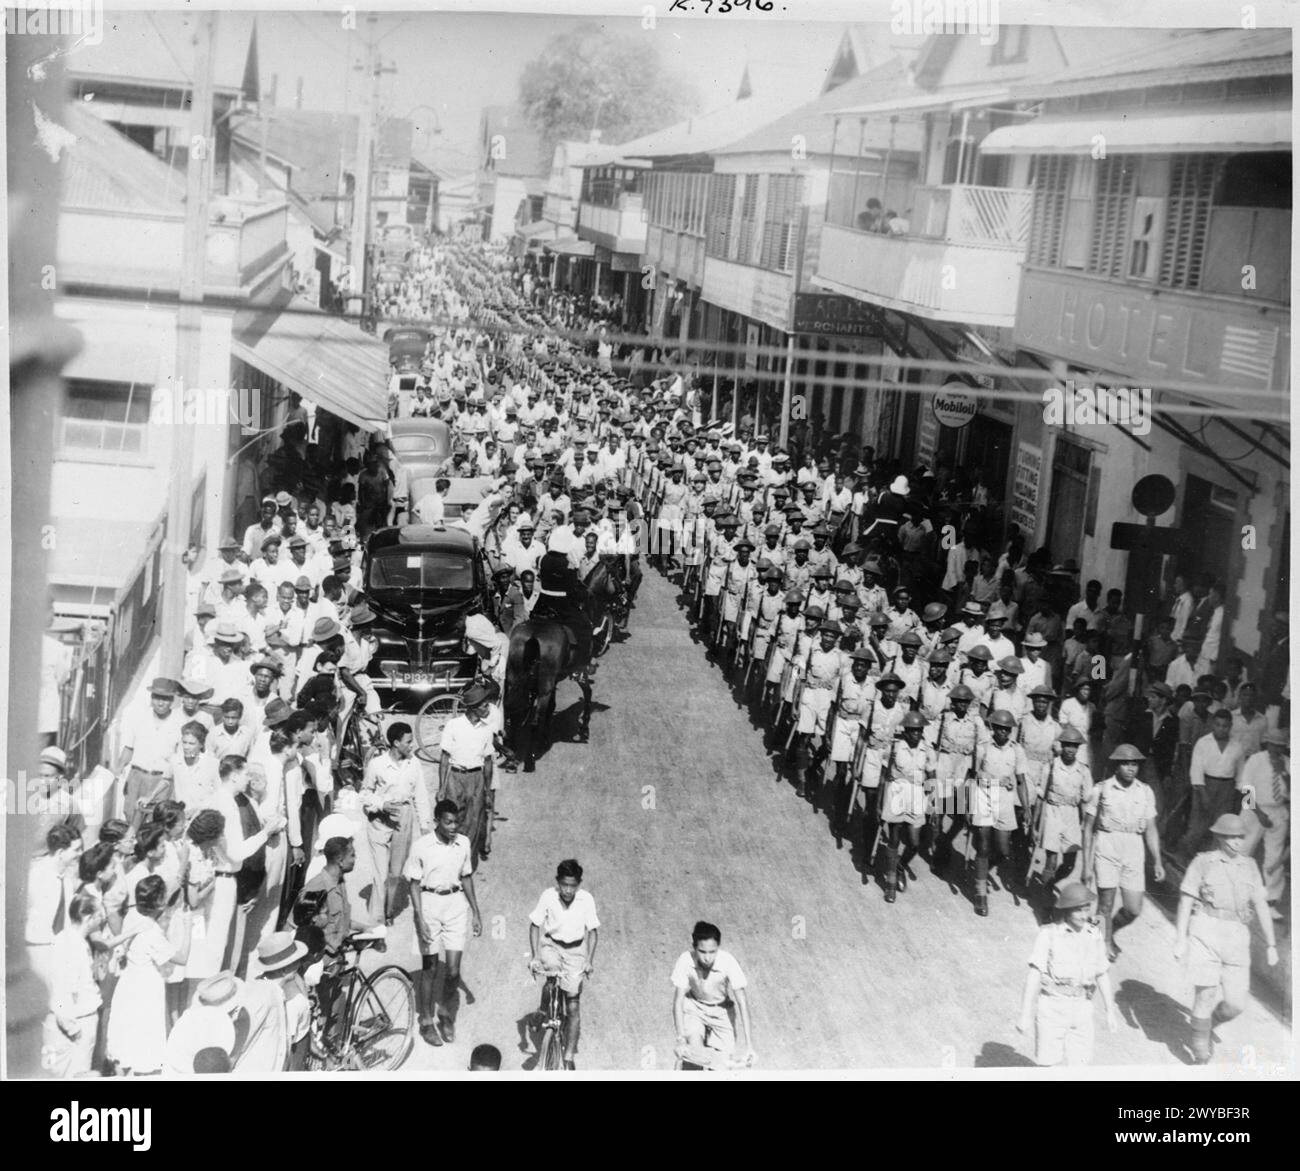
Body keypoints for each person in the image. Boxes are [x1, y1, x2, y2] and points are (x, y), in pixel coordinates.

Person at [1174, 814, 1280, 1064]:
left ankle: (1209, 1024)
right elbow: (1186, 900)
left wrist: (1272, 944)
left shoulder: (1251, 866)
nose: (1237, 842)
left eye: (1240, 837)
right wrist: (1180, 938)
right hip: (1206, 930)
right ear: (1219, 837)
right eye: (1231, 837)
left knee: (1236, 1003)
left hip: (1237, 936)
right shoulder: (1203, 862)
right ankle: (1200, 1052)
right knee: (1206, 994)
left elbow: (1261, 905)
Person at [1016, 882, 1119, 1067]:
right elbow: (1034, 975)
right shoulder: (1049, 934)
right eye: (1078, 910)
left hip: (1082, 1008)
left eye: (1086, 909)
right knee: (1048, 1066)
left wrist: (1110, 1010)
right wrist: (1025, 1014)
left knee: (1080, 1067)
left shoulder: (1094, 934)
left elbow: (1102, 973)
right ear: (1066, 910)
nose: (1084, 915)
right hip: (1052, 1007)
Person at [406, 799, 482, 1046]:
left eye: (456, 822)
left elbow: (467, 877)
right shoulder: (421, 846)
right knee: (429, 968)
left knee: (452, 971)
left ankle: (445, 1013)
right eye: (448, 822)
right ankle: (426, 1021)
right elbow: (414, 884)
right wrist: (419, 918)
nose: (453, 827)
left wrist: (476, 912)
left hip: (455, 907)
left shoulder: (464, 843)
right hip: (429, 906)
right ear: (437, 821)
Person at [1082, 744, 1164, 960]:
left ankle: (1106, 930)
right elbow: (1088, 828)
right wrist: (1086, 866)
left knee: (1134, 908)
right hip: (1108, 844)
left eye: (1134, 764)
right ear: (1116, 766)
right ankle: (1103, 942)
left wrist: (1157, 861)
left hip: (1134, 847)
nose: (1131, 768)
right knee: (1105, 903)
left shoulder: (1145, 791)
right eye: (1126, 763)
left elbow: (1151, 828)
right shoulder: (1102, 789)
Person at [105, 874, 191, 1075]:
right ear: (159, 902)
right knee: (144, 1041)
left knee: (125, 1036)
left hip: (128, 983)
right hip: (146, 988)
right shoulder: (152, 932)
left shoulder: (133, 916)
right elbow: (182, 958)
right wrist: (187, 927)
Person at [528, 859, 599, 1070]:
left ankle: (568, 1056)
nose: (568, 890)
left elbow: (593, 932)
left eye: (573, 885)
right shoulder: (548, 896)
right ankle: (543, 1009)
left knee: (573, 1005)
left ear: (579, 884)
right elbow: (534, 925)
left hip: (576, 951)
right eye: (564, 885)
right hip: (552, 945)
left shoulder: (586, 900)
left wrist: (588, 961)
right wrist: (534, 956)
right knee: (550, 976)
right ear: (557, 882)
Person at [360, 721, 431, 923]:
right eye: (408, 741)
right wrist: (381, 804)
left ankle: (388, 911)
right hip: (380, 821)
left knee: (395, 872)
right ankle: (377, 921)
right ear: (396, 743)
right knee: (380, 874)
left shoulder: (414, 763)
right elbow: (364, 793)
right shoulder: (377, 764)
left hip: (404, 817)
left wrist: (425, 824)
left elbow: (421, 795)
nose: (412, 745)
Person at [671, 920, 755, 1068]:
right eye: (702, 952)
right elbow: (678, 1001)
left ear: (718, 948)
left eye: (712, 952)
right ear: (694, 947)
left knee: (721, 1065)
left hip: (722, 1012)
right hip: (695, 1008)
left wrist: (749, 1046)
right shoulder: (685, 959)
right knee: (695, 1056)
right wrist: (680, 1039)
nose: (707, 958)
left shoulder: (728, 961)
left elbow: (742, 1002)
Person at [40, 891, 105, 1076]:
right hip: (77, 1026)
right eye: (99, 915)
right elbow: (61, 993)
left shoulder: (73, 940)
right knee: (77, 1073)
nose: (102, 919)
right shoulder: (70, 945)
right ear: (87, 917)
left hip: (81, 1021)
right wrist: (73, 1029)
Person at [437, 682, 497, 865]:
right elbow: (444, 758)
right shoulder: (453, 726)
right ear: (473, 707)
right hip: (455, 777)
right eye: (485, 705)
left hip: (476, 778)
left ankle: (465, 864)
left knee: (473, 822)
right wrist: (441, 787)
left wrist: (487, 790)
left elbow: (487, 762)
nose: (488, 709)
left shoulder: (487, 730)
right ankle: (449, 860)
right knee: (453, 819)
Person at [1237, 730, 1290, 920]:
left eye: (1281, 745)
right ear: (1267, 744)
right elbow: (1246, 788)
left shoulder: (1288, 762)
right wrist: (1259, 814)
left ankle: (1270, 902)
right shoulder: (1256, 760)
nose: (1277, 749)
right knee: (1243, 850)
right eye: (1273, 745)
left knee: (1274, 858)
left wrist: (1283, 772)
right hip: (1254, 808)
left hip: (1278, 810)